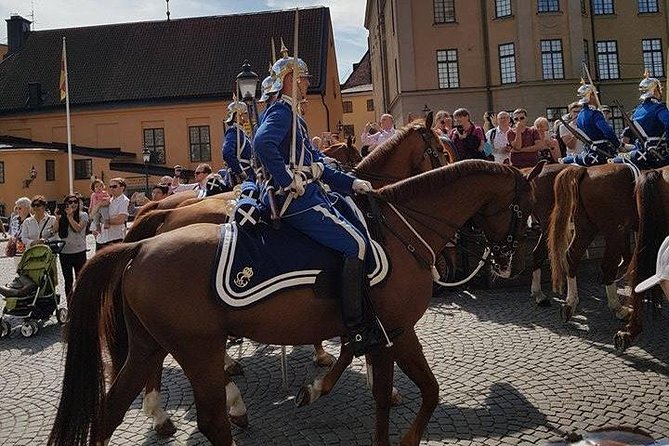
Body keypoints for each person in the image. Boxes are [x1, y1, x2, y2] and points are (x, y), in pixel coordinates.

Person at [254, 50, 382, 357]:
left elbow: (315, 166)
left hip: (309, 193)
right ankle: (355, 328)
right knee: (356, 245)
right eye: (302, 78)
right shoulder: (282, 112)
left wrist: (352, 183)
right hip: (295, 201)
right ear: (288, 81)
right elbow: (262, 143)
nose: (307, 82)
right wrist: (286, 180)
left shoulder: (293, 113)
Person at [614, 72, 669, 169]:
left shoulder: (637, 110)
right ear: (655, 90)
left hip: (638, 151)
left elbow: (628, 130)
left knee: (614, 159)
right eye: (660, 89)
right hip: (658, 151)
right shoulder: (659, 108)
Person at [561, 83, 622, 166]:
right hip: (603, 150)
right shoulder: (595, 114)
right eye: (595, 95)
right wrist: (618, 145)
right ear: (591, 96)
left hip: (588, 150)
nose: (597, 98)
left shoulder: (580, 116)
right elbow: (608, 132)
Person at [53, 194, 88, 299]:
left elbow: (78, 229)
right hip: (65, 253)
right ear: (66, 204)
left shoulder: (83, 215)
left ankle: (80, 301)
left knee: (80, 279)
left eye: (75, 202)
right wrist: (57, 218)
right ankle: (70, 303)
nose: (73, 204)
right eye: (70, 202)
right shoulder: (62, 217)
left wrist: (70, 217)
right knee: (68, 280)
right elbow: (54, 230)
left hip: (79, 252)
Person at [222, 100, 255, 186]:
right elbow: (227, 153)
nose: (248, 116)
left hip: (250, 174)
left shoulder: (241, 133)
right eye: (245, 113)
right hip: (242, 178)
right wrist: (239, 171)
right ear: (238, 115)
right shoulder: (233, 132)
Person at [94, 177, 129, 251]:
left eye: (114, 186)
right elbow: (92, 214)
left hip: (114, 239)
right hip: (101, 239)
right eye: (110, 186)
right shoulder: (108, 199)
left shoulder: (124, 201)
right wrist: (100, 204)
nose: (112, 188)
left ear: (122, 188)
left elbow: (120, 220)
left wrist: (103, 221)